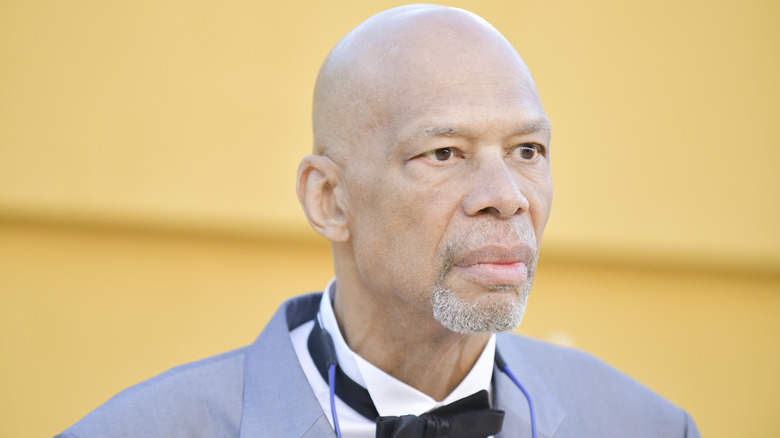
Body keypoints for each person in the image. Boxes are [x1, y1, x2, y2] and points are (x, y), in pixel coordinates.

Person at [56, 4, 700, 438]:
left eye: (526, 151)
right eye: (443, 153)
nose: (506, 196)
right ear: (329, 200)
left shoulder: (645, 426)